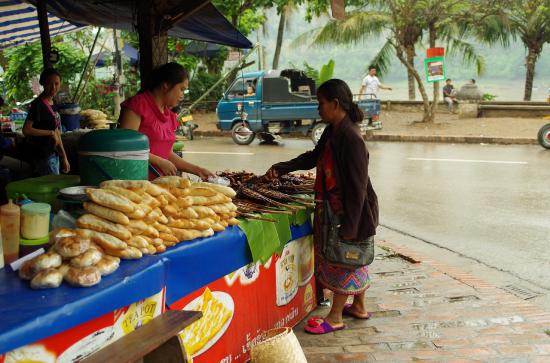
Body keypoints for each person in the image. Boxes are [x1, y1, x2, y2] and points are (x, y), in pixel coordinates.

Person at [265, 79, 379, 335]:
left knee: (345, 259)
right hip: (337, 207)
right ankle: (359, 306)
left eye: (321, 103)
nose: (318, 109)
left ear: (335, 104)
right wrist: (282, 167)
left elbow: (357, 187)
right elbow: (313, 157)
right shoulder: (333, 131)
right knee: (355, 259)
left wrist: (350, 226)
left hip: (351, 210)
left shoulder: (351, 138)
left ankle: (336, 316)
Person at [119, 62, 214, 180]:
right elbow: (124, 147)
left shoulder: (170, 116)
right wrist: (159, 161)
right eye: (181, 89)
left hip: (159, 185)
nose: (182, 95)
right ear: (166, 85)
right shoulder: (137, 105)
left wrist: (198, 170)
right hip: (135, 184)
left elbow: (167, 154)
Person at [23, 68, 70, 176]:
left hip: (54, 154)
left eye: (56, 83)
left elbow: (57, 131)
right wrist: (50, 133)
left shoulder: (54, 102)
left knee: (55, 187)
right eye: (49, 83)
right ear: (42, 83)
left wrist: (64, 157)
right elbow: (26, 130)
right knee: (53, 188)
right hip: (43, 156)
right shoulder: (38, 104)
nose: (53, 87)